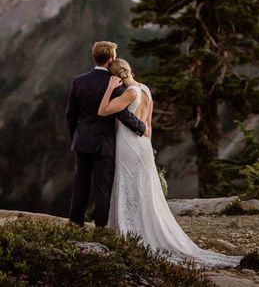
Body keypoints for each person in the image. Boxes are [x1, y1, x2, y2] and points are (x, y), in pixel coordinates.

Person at [98, 58, 242, 268]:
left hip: (127, 144)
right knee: (143, 187)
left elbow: (103, 110)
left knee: (128, 185)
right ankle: (141, 226)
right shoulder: (145, 89)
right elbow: (148, 123)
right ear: (130, 70)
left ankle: (130, 232)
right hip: (143, 144)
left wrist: (109, 89)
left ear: (116, 77)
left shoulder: (129, 93)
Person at [66, 41, 150, 227]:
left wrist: (76, 137)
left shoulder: (78, 81)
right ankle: (101, 227)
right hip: (105, 143)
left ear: (94, 57)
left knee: (81, 184)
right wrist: (142, 128)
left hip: (83, 140)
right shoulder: (115, 83)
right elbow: (122, 113)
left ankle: (75, 223)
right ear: (111, 59)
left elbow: (71, 116)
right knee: (102, 188)